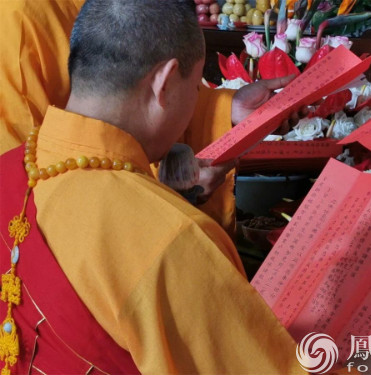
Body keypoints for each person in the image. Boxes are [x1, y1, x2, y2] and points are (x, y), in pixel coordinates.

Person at [0, 1, 306, 374]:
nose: (196, 98)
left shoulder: (9, 170)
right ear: (165, 82)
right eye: (197, 86)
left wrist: (226, 109)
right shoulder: (170, 239)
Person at [0, 0, 299, 235]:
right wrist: (167, 189)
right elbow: (25, 188)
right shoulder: (20, 19)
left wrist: (226, 108)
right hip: (94, 230)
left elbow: (140, 86)